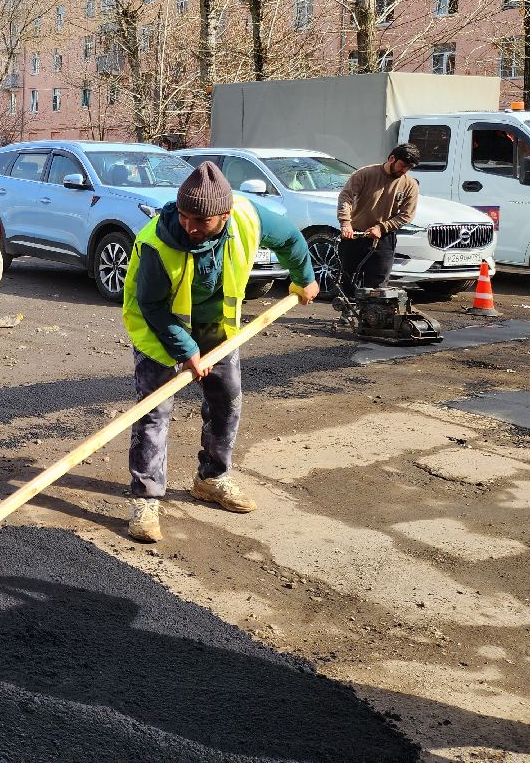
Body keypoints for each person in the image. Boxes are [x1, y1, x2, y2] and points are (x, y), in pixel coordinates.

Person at [121, 162, 319, 543]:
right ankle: (145, 498)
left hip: (218, 329)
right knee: (154, 413)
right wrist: (187, 351)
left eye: (201, 220)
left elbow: (291, 239)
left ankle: (212, 477)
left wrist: (304, 278)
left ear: (224, 215)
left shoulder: (246, 217)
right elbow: (154, 306)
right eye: (184, 217)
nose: (190, 227)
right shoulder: (155, 244)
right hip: (160, 331)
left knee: (227, 401)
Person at [335, 142, 421, 297]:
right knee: (349, 278)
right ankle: (348, 313)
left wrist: (382, 228)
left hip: (383, 238)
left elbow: (407, 215)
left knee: (378, 285)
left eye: (409, 168)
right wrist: (345, 223)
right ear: (392, 158)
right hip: (355, 234)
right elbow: (345, 197)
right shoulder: (365, 174)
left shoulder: (410, 185)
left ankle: (372, 318)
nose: (404, 170)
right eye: (402, 165)